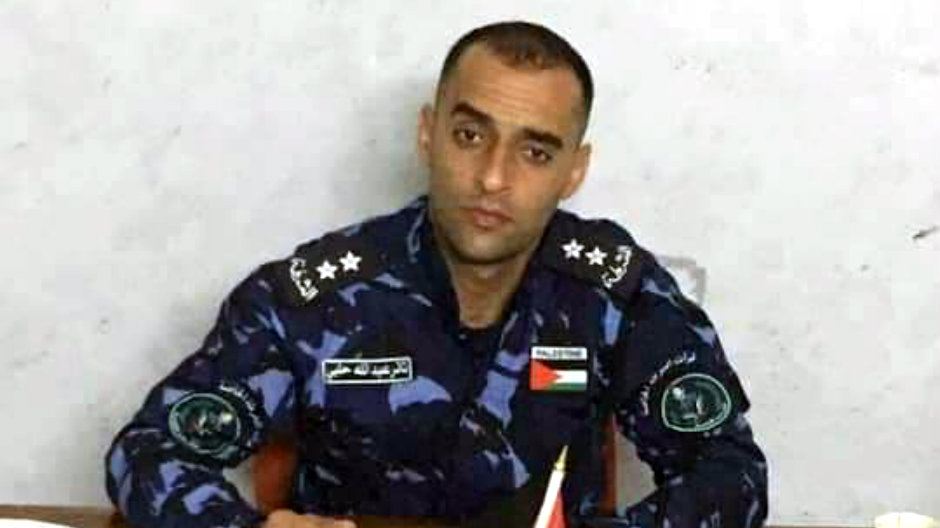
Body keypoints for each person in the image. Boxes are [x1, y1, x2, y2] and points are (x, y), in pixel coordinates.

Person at [105, 21, 768, 528]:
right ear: (428, 135)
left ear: (575, 171)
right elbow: (150, 451)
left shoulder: (614, 293)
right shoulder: (316, 297)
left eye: (535, 152)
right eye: (470, 136)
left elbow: (729, 470)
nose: (493, 178)